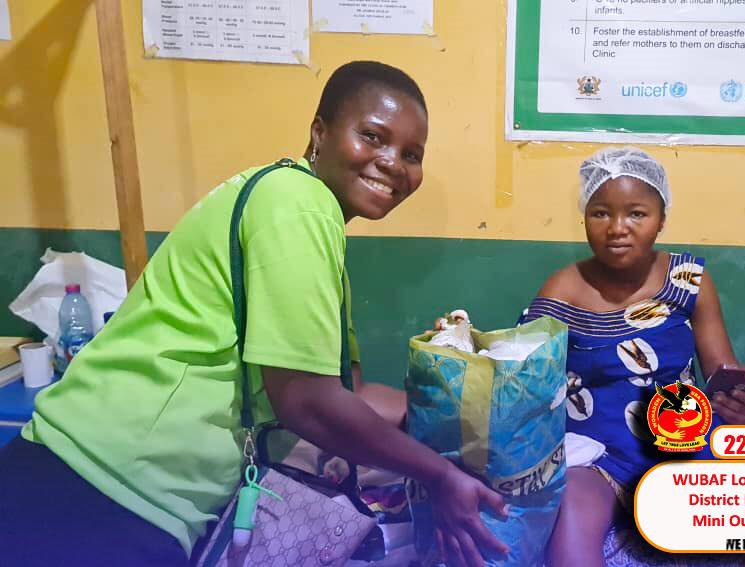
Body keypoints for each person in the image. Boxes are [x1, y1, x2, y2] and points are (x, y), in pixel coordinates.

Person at [0, 61, 506, 567]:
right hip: (97, 489)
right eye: (372, 137)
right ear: (320, 132)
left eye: (412, 154)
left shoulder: (304, 217)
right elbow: (308, 402)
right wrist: (439, 475)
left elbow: (348, 393)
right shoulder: (298, 202)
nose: (393, 163)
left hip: (120, 490)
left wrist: (470, 415)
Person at [519, 147, 745, 567]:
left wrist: (744, 405)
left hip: (688, 430)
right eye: (600, 213)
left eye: (637, 214)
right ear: (585, 217)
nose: (617, 228)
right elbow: (520, 379)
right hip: (603, 455)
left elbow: (721, 370)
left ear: (661, 219)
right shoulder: (562, 289)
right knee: (569, 523)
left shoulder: (688, 279)